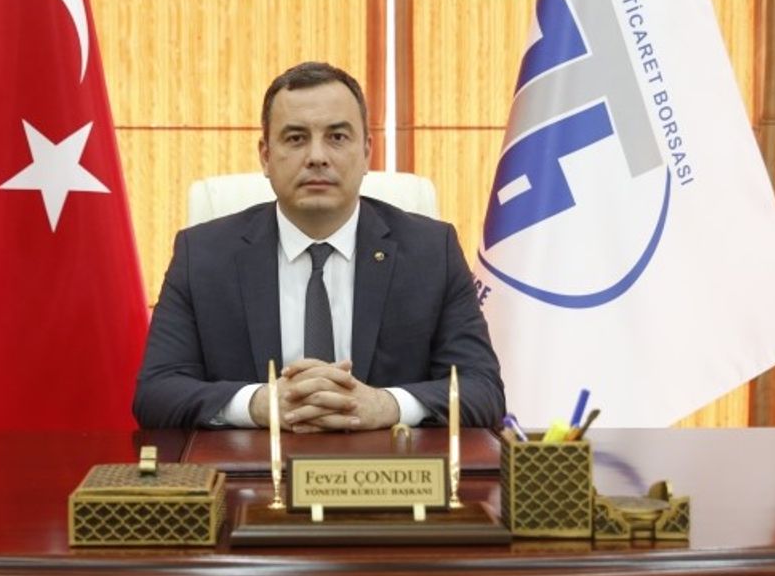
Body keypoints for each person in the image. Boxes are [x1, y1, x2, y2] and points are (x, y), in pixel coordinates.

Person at [134, 62, 504, 431]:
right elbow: (156, 392)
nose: (317, 156)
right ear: (265, 156)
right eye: (296, 138)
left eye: (337, 137)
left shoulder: (431, 252)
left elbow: (483, 390)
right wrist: (258, 403)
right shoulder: (202, 256)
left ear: (367, 152)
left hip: (387, 466)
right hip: (252, 466)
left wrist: (386, 405)